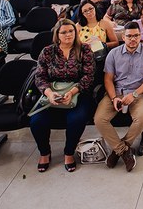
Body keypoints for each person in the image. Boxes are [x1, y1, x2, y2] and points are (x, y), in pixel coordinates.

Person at [30, 20, 96, 173]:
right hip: (52, 92)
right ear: (57, 35)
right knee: (36, 121)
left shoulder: (85, 49)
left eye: (71, 31)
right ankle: (44, 153)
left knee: (77, 119)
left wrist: (72, 92)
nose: (68, 35)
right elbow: (39, 76)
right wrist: (49, 93)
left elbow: (89, 76)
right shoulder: (48, 51)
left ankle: (69, 152)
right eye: (64, 32)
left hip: (78, 92)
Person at [93, 21, 143, 172]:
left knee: (141, 118)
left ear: (140, 36)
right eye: (129, 36)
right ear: (123, 37)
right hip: (116, 92)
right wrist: (113, 97)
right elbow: (108, 79)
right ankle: (123, 150)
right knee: (99, 119)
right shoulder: (113, 54)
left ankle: (117, 150)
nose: (133, 39)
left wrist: (134, 94)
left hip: (138, 93)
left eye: (136, 35)